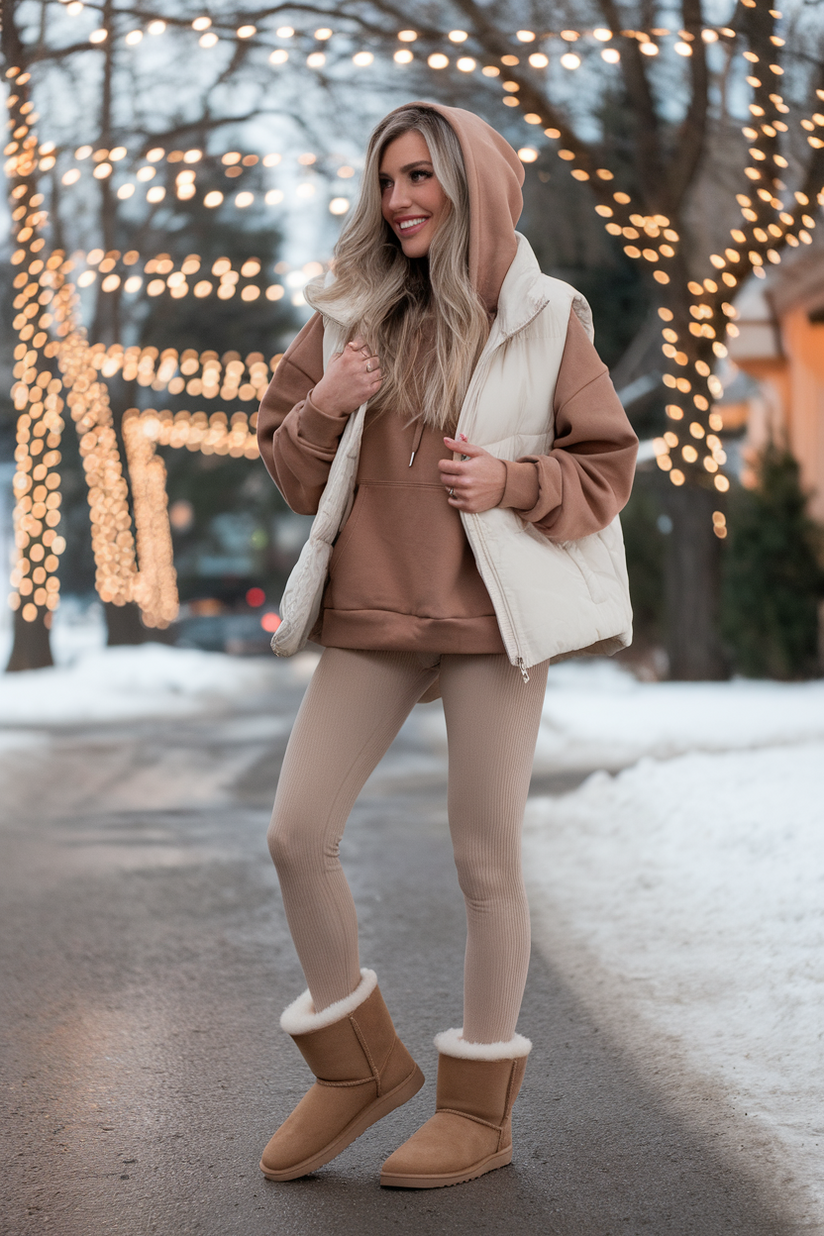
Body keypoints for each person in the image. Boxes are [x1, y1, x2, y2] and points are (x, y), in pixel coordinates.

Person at [255, 102, 638, 1189]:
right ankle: (352, 1067)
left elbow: (603, 469)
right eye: (385, 181)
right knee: (294, 835)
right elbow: (285, 472)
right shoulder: (345, 317)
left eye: (419, 176)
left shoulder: (545, 312)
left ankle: (478, 1111)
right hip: (374, 611)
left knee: (482, 858)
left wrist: (512, 481)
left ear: (470, 181)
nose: (400, 200)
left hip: (489, 623)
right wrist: (323, 405)